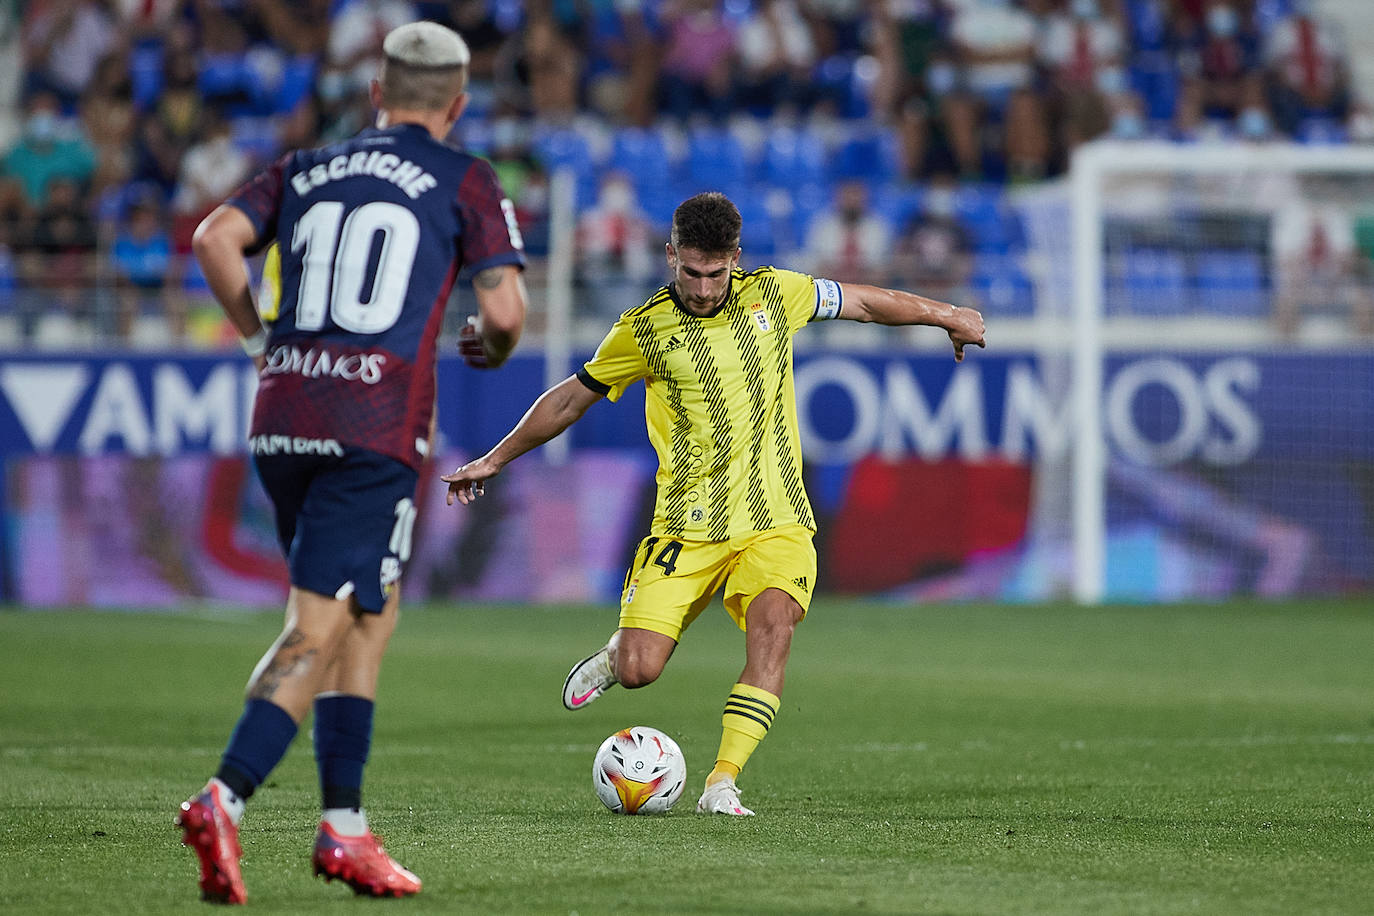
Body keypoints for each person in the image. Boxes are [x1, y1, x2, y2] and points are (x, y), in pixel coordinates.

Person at [442, 191, 984, 816]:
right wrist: (495, 458)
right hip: (685, 529)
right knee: (642, 669)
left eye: (716, 273)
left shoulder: (775, 294)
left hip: (776, 521)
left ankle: (721, 783)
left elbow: (864, 301)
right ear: (671, 255)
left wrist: (946, 314)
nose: (703, 288)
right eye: (692, 272)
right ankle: (616, 659)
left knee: (774, 628)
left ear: (736, 259)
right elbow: (569, 399)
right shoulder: (642, 329)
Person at [176, 21, 527, 904]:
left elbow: (214, 239)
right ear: (457, 104)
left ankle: (345, 829)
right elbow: (506, 314)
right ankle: (225, 796)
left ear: (376, 93)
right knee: (323, 622)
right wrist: (487, 345)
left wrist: (258, 340)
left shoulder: (305, 167)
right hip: (373, 426)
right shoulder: (464, 177)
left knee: (370, 608)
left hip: (283, 415)